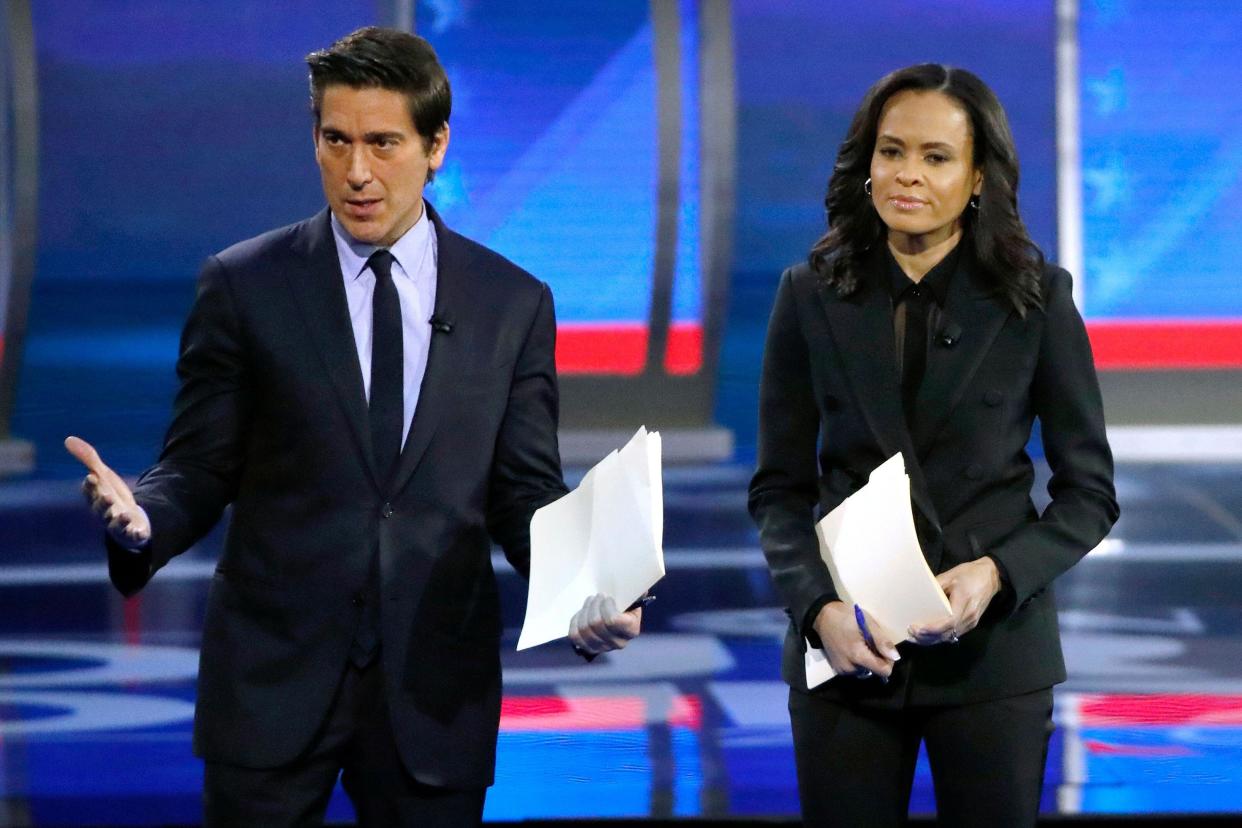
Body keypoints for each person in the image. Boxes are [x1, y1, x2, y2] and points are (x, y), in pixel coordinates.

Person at [66, 27, 642, 828]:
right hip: (271, 684)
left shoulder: (511, 303)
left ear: (436, 145)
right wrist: (143, 518)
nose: (357, 171)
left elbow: (522, 492)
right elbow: (198, 463)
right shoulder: (244, 285)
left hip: (433, 695)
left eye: (383, 143)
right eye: (335, 140)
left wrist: (585, 586)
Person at [748, 64, 1119, 827]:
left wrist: (998, 573)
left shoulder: (1037, 299)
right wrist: (817, 609)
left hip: (993, 659)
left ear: (979, 177)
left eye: (935, 156)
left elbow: (1089, 495)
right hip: (850, 650)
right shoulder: (809, 294)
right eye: (891, 152)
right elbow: (777, 489)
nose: (906, 175)